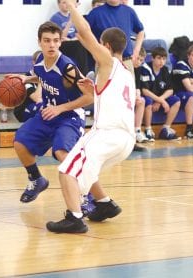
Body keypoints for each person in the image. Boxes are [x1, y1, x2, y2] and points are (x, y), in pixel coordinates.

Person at [46, 0, 135, 234]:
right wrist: (93, 91)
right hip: (126, 140)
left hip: (108, 134)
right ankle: (104, 205)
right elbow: (86, 41)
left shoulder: (108, 62)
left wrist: (71, 5)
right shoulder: (125, 72)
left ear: (105, 45)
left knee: (66, 170)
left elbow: (85, 33)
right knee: (85, 169)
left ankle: (74, 218)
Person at [8, 21, 93, 203]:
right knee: (20, 141)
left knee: (63, 153)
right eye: (47, 41)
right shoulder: (40, 62)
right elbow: (41, 75)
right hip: (48, 114)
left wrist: (60, 108)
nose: (52, 45)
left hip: (70, 116)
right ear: (40, 42)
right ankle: (36, 179)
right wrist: (25, 78)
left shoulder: (68, 68)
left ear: (61, 42)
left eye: (55, 40)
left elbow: (90, 97)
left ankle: (87, 196)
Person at [85, 0, 145, 77]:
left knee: (127, 88)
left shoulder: (129, 11)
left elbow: (141, 31)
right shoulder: (95, 13)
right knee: (105, 89)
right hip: (105, 62)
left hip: (126, 61)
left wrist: (136, 51)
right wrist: (94, 51)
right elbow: (82, 33)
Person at [140, 47, 181, 141]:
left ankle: (165, 128)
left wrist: (160, 101)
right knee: (148, 100)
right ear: (152, 58)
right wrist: (161, 101)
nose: (161, 61)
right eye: (159, 58)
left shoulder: (165, 70)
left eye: (163, 59)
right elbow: (145, 91)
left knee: (176, 101)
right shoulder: (145, 68)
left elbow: (170, 90)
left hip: (159, 98)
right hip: (148, 97)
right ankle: (148, 129)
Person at [50, 0, 89, 75]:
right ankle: (83, 74)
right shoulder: (55, 18)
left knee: (84, 44)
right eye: (64, 2)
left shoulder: (74, 16)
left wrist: (71, 39)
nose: (66, 5)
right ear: (58, 4)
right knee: (79, 45)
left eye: (67, 2)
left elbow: (81, 35)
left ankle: (84, 73)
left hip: (73, 42)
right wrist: (70, 22)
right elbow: (60, 37)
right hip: (62, 45)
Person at [13, 50, 43, 123]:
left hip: (38, 105)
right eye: (40, 61)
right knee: (41, 107)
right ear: (34, 62)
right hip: (23, 110)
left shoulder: (50, 76)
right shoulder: (26, 79)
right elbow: (37, 98)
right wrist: (41, 79)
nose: (43, 63)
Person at [133, 47, 148, 143]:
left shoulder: (138, 69)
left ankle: (137, 131)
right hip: (122, 94)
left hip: (132, 93)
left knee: (141, 101)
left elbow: (137, 87)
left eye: (141, 60)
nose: (138, 62)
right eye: (137, 59)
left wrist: (137, 96)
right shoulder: (125, 66)